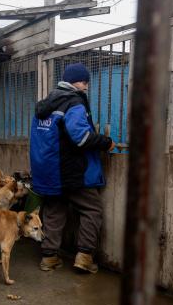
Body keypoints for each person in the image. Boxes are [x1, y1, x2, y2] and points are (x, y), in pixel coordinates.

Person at [29, 63, 115, 274]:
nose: (86, 87)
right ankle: (84, 258)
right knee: (91, 209)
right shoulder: (74, 102)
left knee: (54, 211)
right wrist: (106, 142)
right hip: (70, 171)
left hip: (47, 172)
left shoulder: (45, 104)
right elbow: (82, 137)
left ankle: (49, 257)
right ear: (77, 82)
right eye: (84, 82)